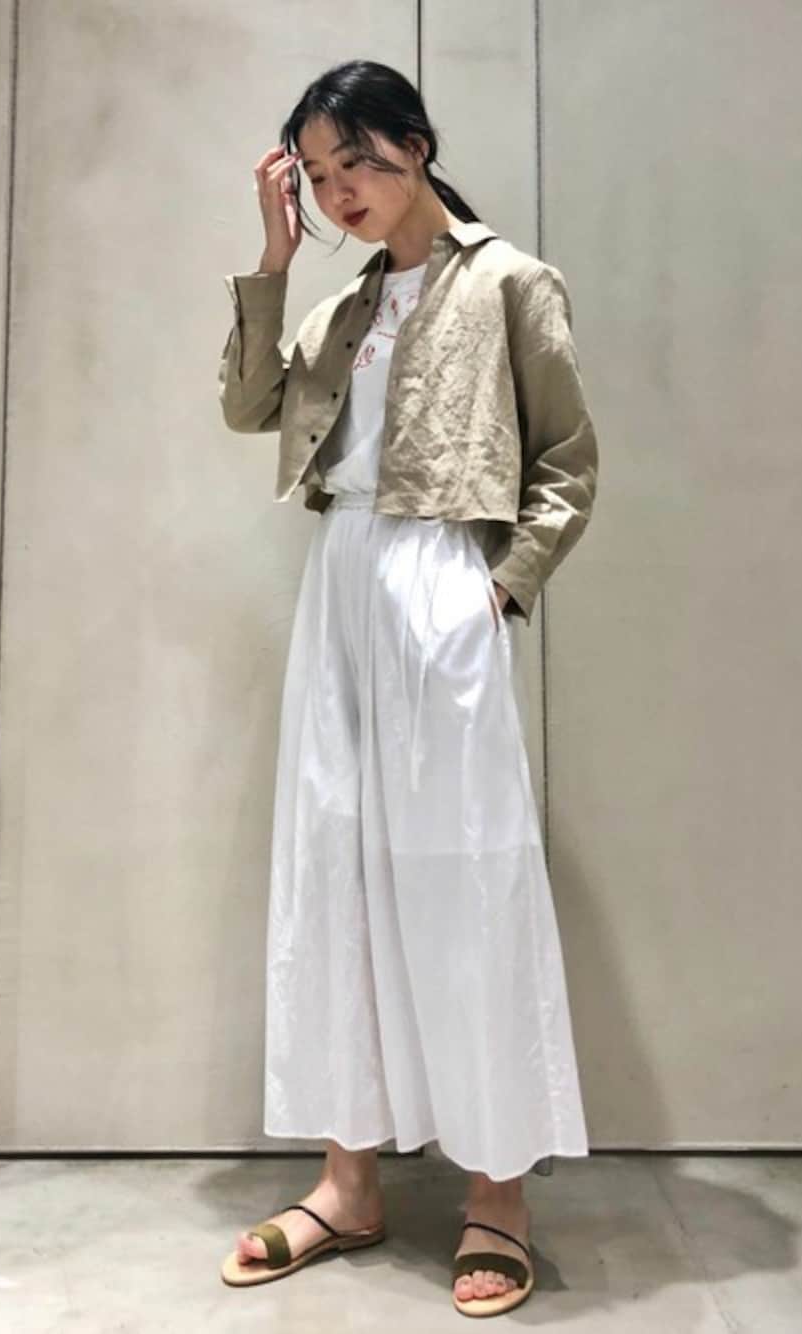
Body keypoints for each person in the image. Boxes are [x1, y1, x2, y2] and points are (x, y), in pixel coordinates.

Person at [217, 59, 597, 1318]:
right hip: (340, 583)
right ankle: (348, 1181)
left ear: (415, 147)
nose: (340, 193)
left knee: (464, 877)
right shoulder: (340, 306)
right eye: (318, 176)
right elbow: (249, 406)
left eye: (356, 164)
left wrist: (498, 592)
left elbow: (567, 461)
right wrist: (275, 259)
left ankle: (499, 1193)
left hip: (443, 580)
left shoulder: (509, 283)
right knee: (332, 867)